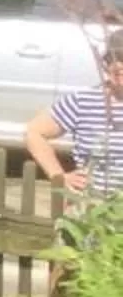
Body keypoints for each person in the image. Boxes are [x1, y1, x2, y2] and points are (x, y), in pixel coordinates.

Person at [26, 34, 123, 191]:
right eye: (115, 59)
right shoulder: (83, 101)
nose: (120, 65)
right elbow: (35, 132)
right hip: (94, 208)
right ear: (105, 65)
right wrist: (58, 176)